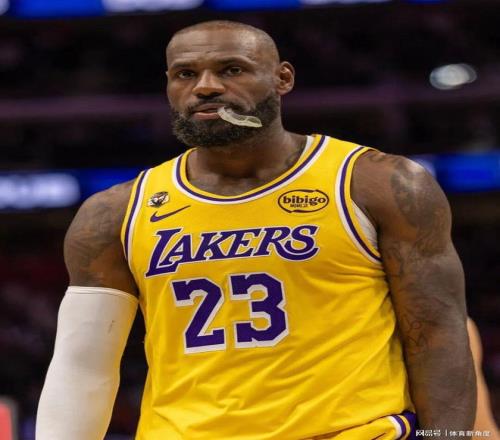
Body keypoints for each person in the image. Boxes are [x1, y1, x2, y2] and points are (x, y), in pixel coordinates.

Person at [36, 20, 477, 439]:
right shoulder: (115, 212)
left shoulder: (378, 183)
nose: (205, 86)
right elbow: (83, 365)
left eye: (232, 69)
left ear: (283, 78)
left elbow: (437, 330)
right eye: (185, 74)